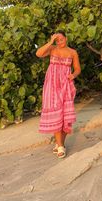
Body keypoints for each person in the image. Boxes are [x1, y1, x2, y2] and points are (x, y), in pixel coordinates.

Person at [36, 30, 81, 158]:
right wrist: (50, 42)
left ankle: (59, 143)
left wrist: (73, 75)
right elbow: (38, 53)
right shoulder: (52, 49)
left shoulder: (73, 52)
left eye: (62, 39)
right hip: (52, 85)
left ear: (66, 38)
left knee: (65, 115)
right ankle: (61, 146)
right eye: (57, 40)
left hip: (66, 84)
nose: (60, 42)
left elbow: (78, 68)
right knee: (56, 114)